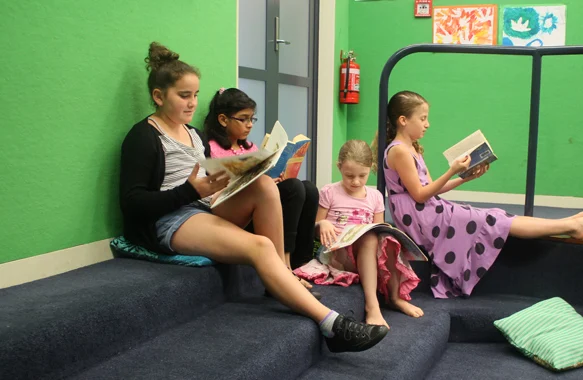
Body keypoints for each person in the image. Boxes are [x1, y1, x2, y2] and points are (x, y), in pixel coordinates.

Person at [119, 41, 388, 352]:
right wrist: (191, 191)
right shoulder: (143, 136)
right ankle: (332, 325)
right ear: (158, 96)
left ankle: (282, 276)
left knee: (264, 186)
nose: (193, 103)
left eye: (194, 95)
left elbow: (208, 178)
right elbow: (133, 203)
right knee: (260, 245)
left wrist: (240, 176)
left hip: (204, 205)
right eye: (183, 96)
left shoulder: (193, 134)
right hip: (172, 218)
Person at [374, 90, 583, 299]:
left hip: (428, 210)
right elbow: (421, 195)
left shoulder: (411, 148)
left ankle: (569, 222)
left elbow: (431, 189)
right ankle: (571, 226)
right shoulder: (399, 151)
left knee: (495, 216)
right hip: (421, 219)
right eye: (422, 118)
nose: (428, 124)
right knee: (494, 219)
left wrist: (465, 177)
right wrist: (452, 170)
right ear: (403, 120)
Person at [297, 140, 423, 328]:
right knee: (370, 238)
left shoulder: (375, 197)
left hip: (365, 255)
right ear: (339, 167)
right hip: (336, 254)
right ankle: (372, 306)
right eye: (349, 176)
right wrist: (321, 224)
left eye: (362, 176)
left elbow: (379, 229)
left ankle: (395, 298)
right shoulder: (329, 192)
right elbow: (314, 230)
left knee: (381, 238)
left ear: (370, 169)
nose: (355, 181)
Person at [203, 88, 319, 274]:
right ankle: (285, 264)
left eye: (252, 119)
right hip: (239, 210)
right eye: (243, 119)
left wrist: (274, 178)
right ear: (223, 119)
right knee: (294, 188)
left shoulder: (250, 147)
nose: (249, 125)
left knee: (308, 188)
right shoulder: (212, 149)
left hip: (262, 201)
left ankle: (303, 262)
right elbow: (218, 188)